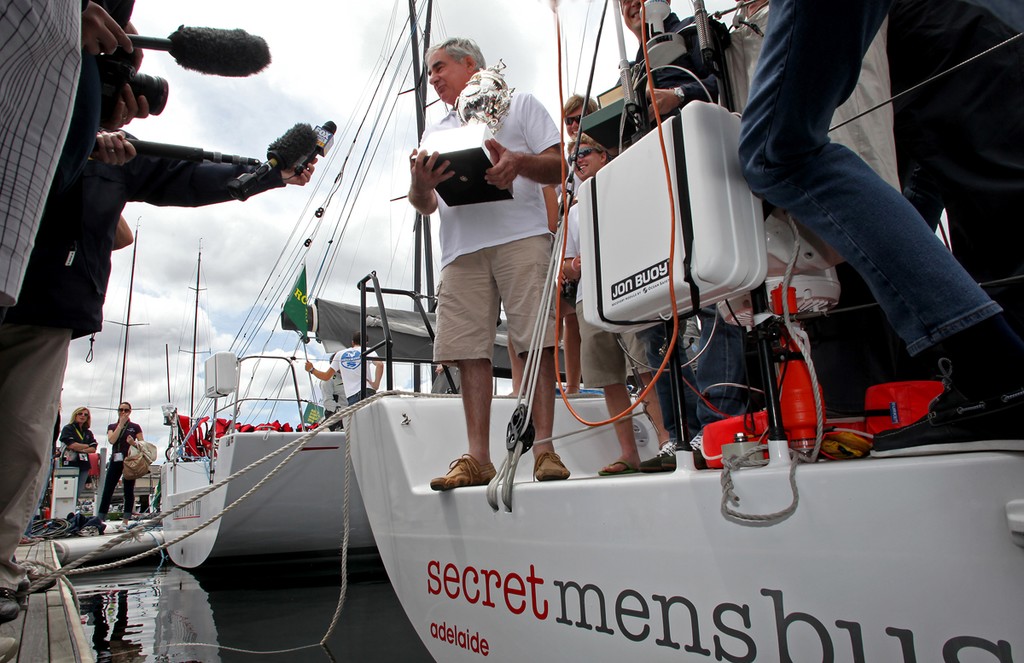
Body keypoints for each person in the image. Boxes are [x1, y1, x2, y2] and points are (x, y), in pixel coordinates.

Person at [737, 0, 1024, 456]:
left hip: (942, 30)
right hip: (982, 29)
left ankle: (995, 372)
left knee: (776, 154)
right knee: (981, 198)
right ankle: (996, 374)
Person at [409, 37, 569, 490]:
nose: (434, 78)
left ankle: (545, 449)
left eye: (439, 67)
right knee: (466, 349)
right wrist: (420, 184)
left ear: (469, 63)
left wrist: (518, 164)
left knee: (531, 340)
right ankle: (478, 457)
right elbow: (423, 205)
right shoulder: (434, 128)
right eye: (430, 73)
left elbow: (561, 166)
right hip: (460, 250)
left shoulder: (519, 103)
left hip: (522, 237)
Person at [562, 135, 646, 474]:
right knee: (610, 378)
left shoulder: (624, 191)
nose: (578, 160)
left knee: (644, 367)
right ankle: (629, 453)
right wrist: (574, 266)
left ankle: (670, 439)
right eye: (573, 157)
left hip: (630, 291)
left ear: (603, 154)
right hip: (588, 300)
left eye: (584, 152)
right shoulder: (573, 211)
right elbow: (565, 265)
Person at [305, 331, 384, 407]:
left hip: (352, 396)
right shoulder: (367, 350)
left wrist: (312, 369)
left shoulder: (340, 354)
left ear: (352, 342)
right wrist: (376, 384)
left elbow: (326, 376)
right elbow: (380, 365)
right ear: (366, 343)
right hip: (367, 390)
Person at [97, 401, 143, 528]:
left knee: (128, 490)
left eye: (126, 410)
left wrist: (133, 443)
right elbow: (112, 440)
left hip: (129, 461)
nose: (123, 412)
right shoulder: (112, 426)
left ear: (130, 412)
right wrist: (121, 425)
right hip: (115, 460)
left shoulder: (135, 427)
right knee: (108, 489)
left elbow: (142, 444)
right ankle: (100, 519)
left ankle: (125, 520)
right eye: (121, 410)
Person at [59, 407, 99, 501]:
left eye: (85, 415)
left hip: (84, 464)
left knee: (78, 491)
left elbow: (93, 448)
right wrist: (86, 445)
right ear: (75, 415)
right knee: (67, 490)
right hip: (70, 463)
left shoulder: (88, 432)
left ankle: (72, 510)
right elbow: (72, 445)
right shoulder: (68, 428)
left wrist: (81, 449)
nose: (82, 416)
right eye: (80, 414)